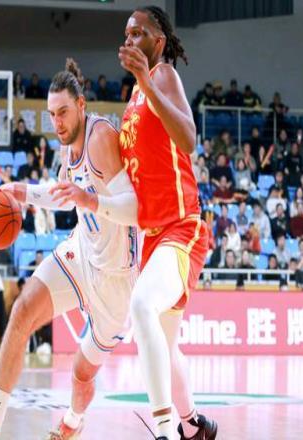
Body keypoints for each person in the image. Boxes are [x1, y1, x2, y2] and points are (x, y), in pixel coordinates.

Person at [0, 59, 140, 440]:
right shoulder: (66, 149)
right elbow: (63, 196)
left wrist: (89, 200)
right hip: (82, 253)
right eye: (51, 114)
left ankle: (72, 424)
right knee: (21, 311)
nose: (57, 122)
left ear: (81, 105)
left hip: (117, 280)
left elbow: (134, 209)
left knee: (81, 375)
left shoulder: (99, 138)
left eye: (63, 112)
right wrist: (19, 191)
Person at [116, 6, 217, 439]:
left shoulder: (163, 77)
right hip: (152, 236)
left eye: (138, 33)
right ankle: (194, 425)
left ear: (157, 42)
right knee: (165, 342)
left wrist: (146, 81)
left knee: (142, 306)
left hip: (182, 226)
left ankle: (165, 430)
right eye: (126, 33)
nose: (129, 39)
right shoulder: (133, 100)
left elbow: (189, 139)